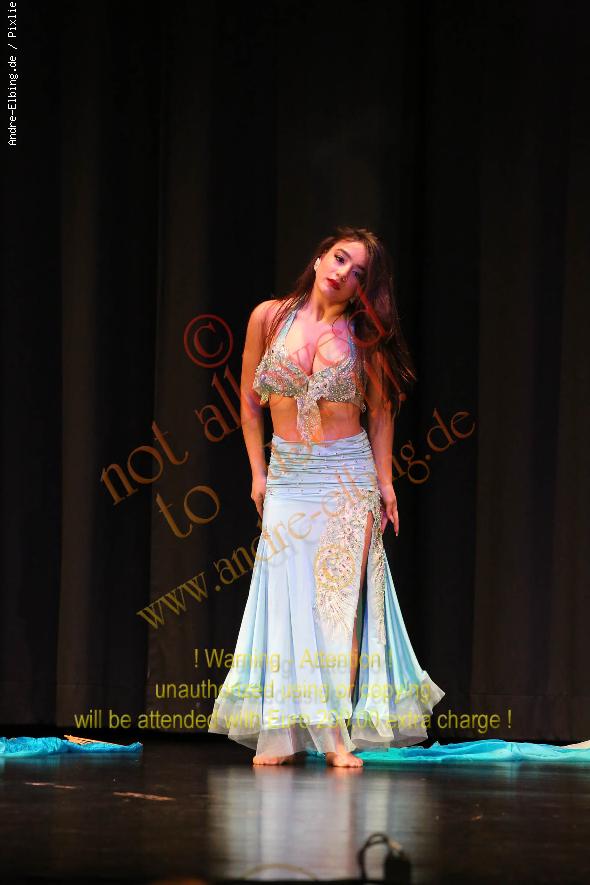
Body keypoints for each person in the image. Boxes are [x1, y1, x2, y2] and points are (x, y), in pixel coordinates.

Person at [208, 226, 445, 767]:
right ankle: (282, 732)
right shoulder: (269, 318)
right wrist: (257, 472)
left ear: (364, 288)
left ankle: (335, 735)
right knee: (285, 601)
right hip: (288, 476)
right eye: (339, 259)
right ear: (319, 259)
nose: (343, 274)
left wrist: (385, 484)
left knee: (337, 610)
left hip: (346, 479)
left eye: (358, 272)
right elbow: (249, 401)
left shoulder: (364, 336)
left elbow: (380, 413)